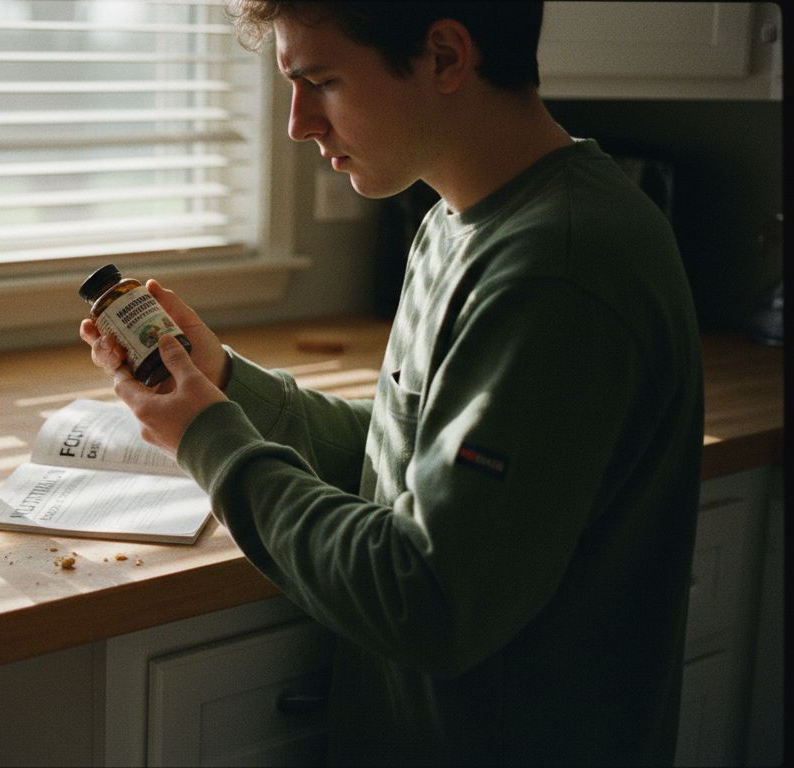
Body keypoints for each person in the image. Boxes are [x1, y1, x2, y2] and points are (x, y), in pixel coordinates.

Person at [80, 1, 703, 765]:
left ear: (444, 57)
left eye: (323, 82)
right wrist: (227, 385)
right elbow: (403, 457)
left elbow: (428, 600)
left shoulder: (561, 269)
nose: (297, 123)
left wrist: (210, 440)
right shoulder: (459, 217)